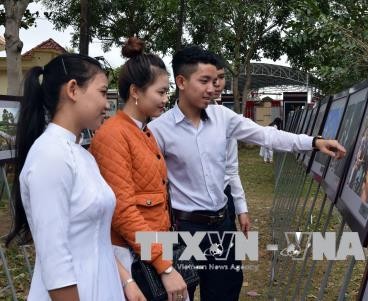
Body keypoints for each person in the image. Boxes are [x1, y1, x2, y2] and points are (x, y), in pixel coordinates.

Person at [148, 46, 346, 301]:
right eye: (204, 81)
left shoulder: (223, 117)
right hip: (183, 229)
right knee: (179, 293)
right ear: (182, 82)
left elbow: (266, 135)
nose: (213, 88)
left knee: (225, 292)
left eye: (215, 80)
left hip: (221, 226)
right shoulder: (158, 131)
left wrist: (314, 142)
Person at [5, 53, 144, 300]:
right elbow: (55, 258)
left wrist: (126, 280)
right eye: (102, 92)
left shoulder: (81, 155)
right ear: (73, 89)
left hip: (102, 284)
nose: (106, 104)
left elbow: (94, 236)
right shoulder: (51, 156)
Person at [89, 37, 188, 301]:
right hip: (132, 255)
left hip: (152, 248)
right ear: (136, 91)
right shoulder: (113, 135)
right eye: (161, 91)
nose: (166, 99)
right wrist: (164, 266)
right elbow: (122, 210)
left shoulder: (144, 131)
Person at [211, 56, 250, 236]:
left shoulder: (225, 118)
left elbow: (231, 169)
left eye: (221, 77)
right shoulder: (165, 126)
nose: (217, 83)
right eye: (209, 79)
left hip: (225, 204)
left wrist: (241, 208)